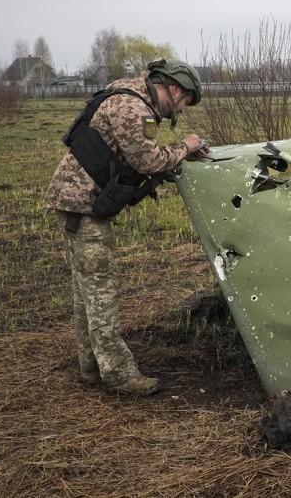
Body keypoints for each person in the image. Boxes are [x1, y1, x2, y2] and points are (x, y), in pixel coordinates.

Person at [45, 58, 211, 395]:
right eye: (183, 103)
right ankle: (119, 375)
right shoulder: (135, 108)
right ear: (174, 89)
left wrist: (178, 153)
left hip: (76, 201)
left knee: (86, 291)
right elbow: (148, 160)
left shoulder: (127, 96)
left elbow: (138, 153)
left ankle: (91, 367)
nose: (177, 111)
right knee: (100, 291)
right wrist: (186, 146)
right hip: (82, 204)